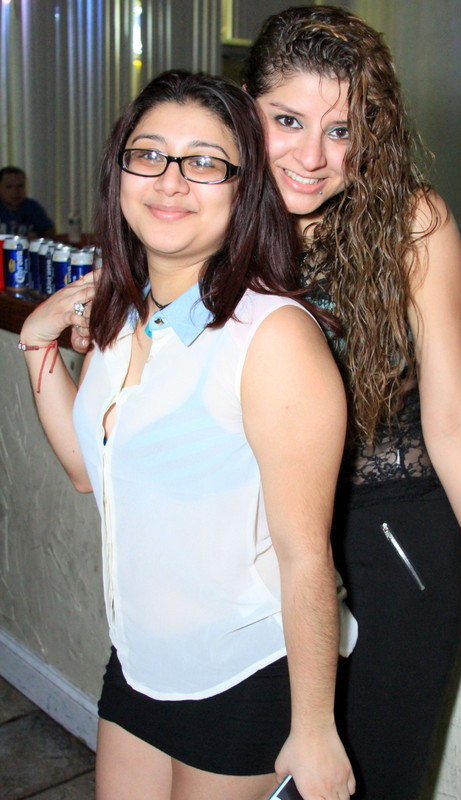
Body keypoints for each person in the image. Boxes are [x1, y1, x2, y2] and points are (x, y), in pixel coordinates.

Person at [19, 69, 356, 800]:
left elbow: (306, 557)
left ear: (244, 190)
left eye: (204, 162)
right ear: (120, 174)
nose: (170, 181)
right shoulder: (122, 314)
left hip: (243, 671)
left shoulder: (273, 339)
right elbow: (85, 468)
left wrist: (316, 726)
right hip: (140, 660)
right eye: (149, 155)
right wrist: (38, 346)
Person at [243, 6, 461, 799]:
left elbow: (454, 418)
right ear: (245, 111)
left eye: (341, 129)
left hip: (397, 538)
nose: (312, 156)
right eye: (287, 120)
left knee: (377, 781)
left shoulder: (412, 223)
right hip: (261, 541)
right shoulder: (219, 220)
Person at [0, 166, 55, 237]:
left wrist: (38, 239)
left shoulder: (32, 207)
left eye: (20, 186)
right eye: (9, 187)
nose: (16, 191)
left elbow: (48, 231)